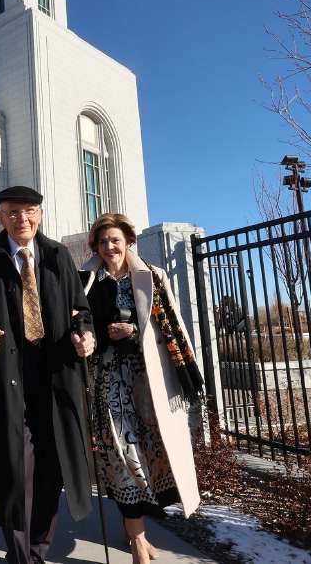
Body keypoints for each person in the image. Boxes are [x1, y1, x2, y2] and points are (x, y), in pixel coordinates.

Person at [0, 185, 96, 564]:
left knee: (52, 470)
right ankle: (20, 557)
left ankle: (37, 550)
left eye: (30, 211)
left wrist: (87, 334)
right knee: (13, 473)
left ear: (40, 215)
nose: (22, 219)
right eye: (13, 212)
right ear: (0, 217)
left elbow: (81, 309)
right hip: (5, 381)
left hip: (55, 381)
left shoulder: (58, 256)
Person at [78, 213, 201, 564]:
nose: (109, 247)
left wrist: (134, 332)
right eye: (102, 242)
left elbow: (170, 326)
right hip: (108, 381)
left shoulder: (150, 276)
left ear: (127, 240)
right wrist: (99, 335)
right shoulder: (87, 281)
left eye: (114, 240)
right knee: (123, 454)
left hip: (148, 383)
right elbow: (79, 322)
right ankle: (136, 541)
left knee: (150, 456)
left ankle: (137, 531)